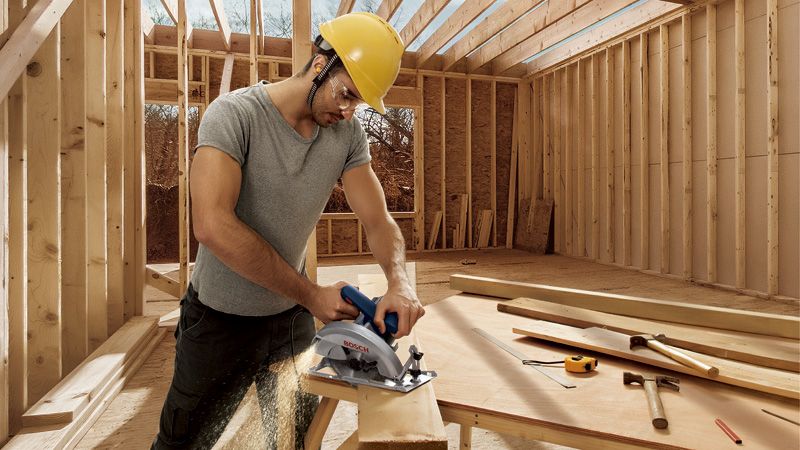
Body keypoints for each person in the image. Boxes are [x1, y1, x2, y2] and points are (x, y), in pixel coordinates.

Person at [152, 12, 425, 450]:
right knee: (183, 442)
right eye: (346, 94)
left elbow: (378, 220)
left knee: (298, 437)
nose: (348, 110)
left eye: (358, 103)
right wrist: (313, 295)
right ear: (319, 65)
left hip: (290, 320)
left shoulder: (347, 135)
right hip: (218, 321)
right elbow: (212, 224)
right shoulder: (234, 115)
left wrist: (399, 282)